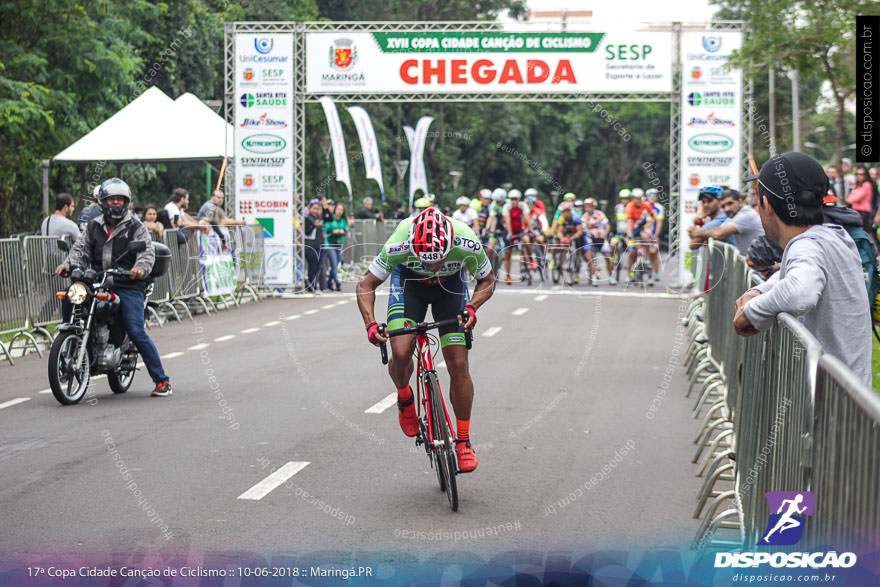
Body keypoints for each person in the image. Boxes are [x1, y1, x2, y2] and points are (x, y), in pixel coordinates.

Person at [356, 208, 496, 472]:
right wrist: (371, 326)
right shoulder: (398, 242)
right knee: (400, 351)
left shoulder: (466, 240)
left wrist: (473, 307)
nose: (432, 267)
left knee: (458, 363)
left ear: (450, 244)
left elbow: (487, 280)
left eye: (438, 260)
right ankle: (405, 396)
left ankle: (463, 441)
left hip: (450, 288)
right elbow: (365, 285)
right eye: (426, 261)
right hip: (410, 286)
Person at [733, 152, 871, 384]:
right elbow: (793, 275)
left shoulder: (806, 245)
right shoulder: (834, 235)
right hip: (848, 404)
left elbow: (800, 292)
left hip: (830, 409)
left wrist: (751, 312)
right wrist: (758, 291)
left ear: (766, 205)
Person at [55, 178, 173, 397]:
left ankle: (162, 380)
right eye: (112, 199)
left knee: (136, 331)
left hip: (128, 284)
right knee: (70, 296)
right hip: (98, 280)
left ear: (127, 202)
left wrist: (140, 268)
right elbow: (80, 250)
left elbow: (147, 252)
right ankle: (70, 342)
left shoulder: (136, 227)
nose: (116, 203)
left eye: (120, 200)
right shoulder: (93, 226)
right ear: (103, 202)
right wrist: (68, 265)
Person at [689, 188, 764, 257]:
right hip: (753, 263)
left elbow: (719, 234)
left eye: (730, 204)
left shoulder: (746, 215)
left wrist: (699, 232)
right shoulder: (733, 215)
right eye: (723, 206)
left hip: (761, 265)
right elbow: (719, 229)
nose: (727, 209)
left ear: (740, 202)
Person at [501, 189, 532, 285]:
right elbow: (507, 220)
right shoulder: (506, 207)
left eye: (516, 199)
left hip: (520, 231)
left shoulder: (523, 206)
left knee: (527, 240)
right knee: (508, 253)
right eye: (512, 199)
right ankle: (508, 275)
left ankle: (531, 260)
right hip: (510, 231)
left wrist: (531, 229)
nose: (514, 201)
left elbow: (527, 217)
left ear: (519, 199)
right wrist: (510, 233)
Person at [581, 198, 614, 286]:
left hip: (601, 238)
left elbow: (607, 225)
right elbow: (583, 228)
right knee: (590, 257)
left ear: (594, 207)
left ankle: (611, 276)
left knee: (607, 257)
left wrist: (605, 235)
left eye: (589, 207)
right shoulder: (584, 216)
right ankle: (594, 277)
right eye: (586, 207)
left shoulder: (600, 214)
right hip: (590, 239)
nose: (587, 208)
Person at [323, 202, 348, 291]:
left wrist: (340, 232)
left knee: (336, 264)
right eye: (338, 209)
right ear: (335, 209)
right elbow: (328, 230)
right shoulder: (330, 218)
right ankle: (337, 282)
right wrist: (335, 231)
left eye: (341, 210)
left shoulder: (343, 220)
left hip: (339, 244)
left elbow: (344, 231)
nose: (340, 211)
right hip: (330, 244)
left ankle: (329, 282)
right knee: (334, 264)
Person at [303, 199, 325, 293]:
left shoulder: (319, 218)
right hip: (309, 246)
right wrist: (314, 226)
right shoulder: (307, 218)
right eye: (314, 208)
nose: (316, 211)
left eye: (318, 209)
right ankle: (312, 286)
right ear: (310, 208)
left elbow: (329, 218)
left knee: (317, 267)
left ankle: (313, 286)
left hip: (319, 245)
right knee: (312, 266)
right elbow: (306, 232)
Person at [846, 165, 874, 237]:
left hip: (863, 213)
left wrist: (851, 198)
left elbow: (856, 198)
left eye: (861, 174)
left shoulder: (867, 184)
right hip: (856, 211)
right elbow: (850, 197)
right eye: (857, 174)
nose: (859, 176)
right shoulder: (857, 185)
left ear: (865, 175)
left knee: (863, 233)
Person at [646, 188, 664, 280]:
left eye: (654, 196)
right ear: (647, 197)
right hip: (643, 233)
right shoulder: (643, 205)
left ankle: (655, 273)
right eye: (650, 196)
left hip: (653, 234)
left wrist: (656, 235)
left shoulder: (659, 207)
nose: (652, 198)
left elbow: (659, 223)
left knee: (653, 254)